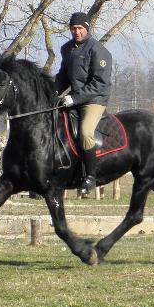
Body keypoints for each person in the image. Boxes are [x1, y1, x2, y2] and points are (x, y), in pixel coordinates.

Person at [55, 12, 113, 196]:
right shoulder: (67, 49)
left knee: (86, 132)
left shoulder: (98, 50)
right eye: (73, 29)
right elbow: (63, 76)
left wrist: (75, 98)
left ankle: (90, 177)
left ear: (87, 28)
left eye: (80, 28)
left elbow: (99, 83)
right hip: (74, 97)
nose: (76, 32)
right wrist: (52, 93)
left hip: (94, 100)